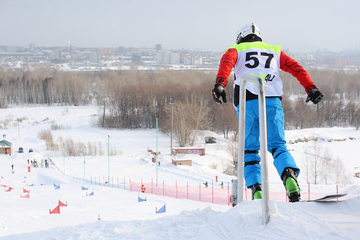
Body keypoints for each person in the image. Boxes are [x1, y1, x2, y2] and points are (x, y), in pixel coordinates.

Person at [212, 23, 324, 202]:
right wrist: (311, 88)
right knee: (278, 145)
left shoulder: (237, 49)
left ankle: (256, 189)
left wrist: (220, 84)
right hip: (272, 101)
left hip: (247, 102)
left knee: (250, 149)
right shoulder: (274, 51)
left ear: (241, 37)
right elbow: (297, 68)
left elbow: (227, 63)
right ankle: (289, 176)